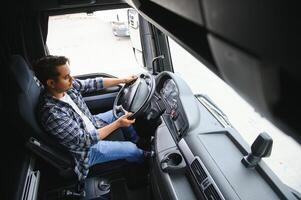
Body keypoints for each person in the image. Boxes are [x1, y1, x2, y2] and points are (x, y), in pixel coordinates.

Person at [33, 55, 153, 181]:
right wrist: (117, 124)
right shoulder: (53, 114)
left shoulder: (66, 88)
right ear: (51, 83)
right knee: (131, 149)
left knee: (121, 114)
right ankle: (146, 160)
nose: (72, 79)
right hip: (86, 151)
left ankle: (138, 141)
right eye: (66, 77)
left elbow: (93, 83)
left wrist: (122, 80)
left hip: (92, 123)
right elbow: (85, 140)